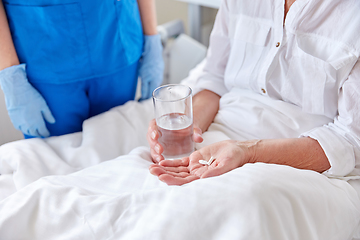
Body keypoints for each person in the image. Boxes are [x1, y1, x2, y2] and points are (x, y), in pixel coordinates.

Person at [0, 0, 164, 138]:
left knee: (119, 147)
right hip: (42, 54)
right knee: (54, 165)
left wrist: (151, 37)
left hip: (117, 40)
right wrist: (12, 78)